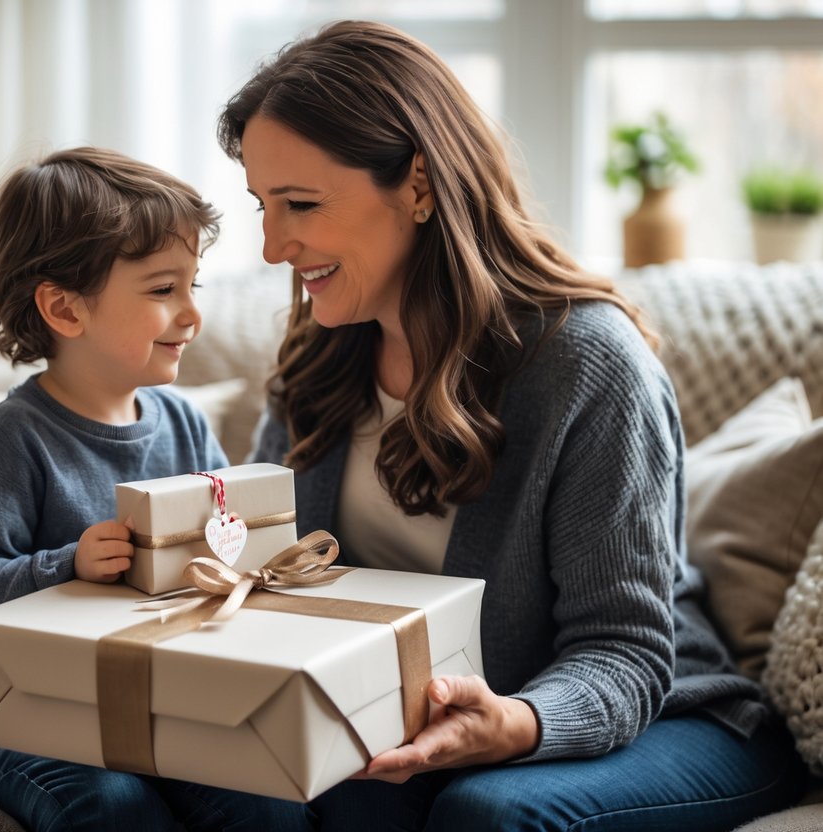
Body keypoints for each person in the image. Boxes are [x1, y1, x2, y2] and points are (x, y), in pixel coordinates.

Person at [211, 19, 807, 831]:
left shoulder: (585, 364)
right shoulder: (319, 357)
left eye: (301, 205)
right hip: (426, 723)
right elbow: (265, 577)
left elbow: (626, 654)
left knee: (483, 815)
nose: (275, 246)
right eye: (262, 207)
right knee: (331, 796)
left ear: (417, 183)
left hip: (667, 715)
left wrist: (515, 724)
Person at [0, 147, 307, 831]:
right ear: (64, 309)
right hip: (46, 725)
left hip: (178, 709)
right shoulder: (13, 439)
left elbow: (228, 543)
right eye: (163, 290)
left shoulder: (184, 423)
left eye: (194, 285)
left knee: (272, 807)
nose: (192, 314)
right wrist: (64, 564)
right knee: (114, 810)